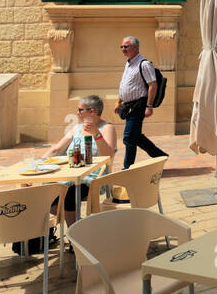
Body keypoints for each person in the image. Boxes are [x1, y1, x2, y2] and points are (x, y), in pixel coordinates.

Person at [45, 94, 117, 224]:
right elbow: (56, 149)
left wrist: (96, 134)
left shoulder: (107, 128)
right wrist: (37, 165)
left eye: (80, 110)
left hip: (93, 178)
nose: (77, 113)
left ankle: (74, 236)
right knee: (45, 193)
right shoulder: (76, 129)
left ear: (92, 111)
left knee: (70, 193)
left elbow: (109, 156)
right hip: (70, 176)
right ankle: (78, 226)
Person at [114, 36, 167, 169]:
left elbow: (152, 85)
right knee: (136, 137)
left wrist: (149, 106)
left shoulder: (144, 64)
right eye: (121, 47)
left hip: (138, 105)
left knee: (129, 137)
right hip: (128, 105)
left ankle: (127, 167)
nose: (123, 49)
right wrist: (118, 102)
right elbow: (125, 84)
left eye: (126, 46)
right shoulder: (128, 63)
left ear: (135, 48)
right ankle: (160, 156)